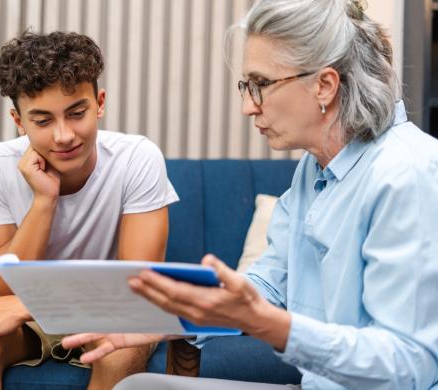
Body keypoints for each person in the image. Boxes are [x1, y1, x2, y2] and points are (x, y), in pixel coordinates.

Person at [62, 0, 438, 389]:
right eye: (246, 86)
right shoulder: (315, 169)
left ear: (324, 85)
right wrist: (164, 315)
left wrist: (275, 328)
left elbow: (408, 364)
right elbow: (269, 284)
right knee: (139, 386)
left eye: (260, 85)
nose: (247, 107)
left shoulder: (408, 174)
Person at [0, 31, 179, 390]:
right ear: (19, 120)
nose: (64, 136)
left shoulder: (137, 157)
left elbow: (139, 286)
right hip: (25, 318)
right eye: (43, 121)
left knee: (124, 344)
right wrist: (44, 202)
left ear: (100, 103)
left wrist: (23, 304)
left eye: (77, 113)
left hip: (110, 311)